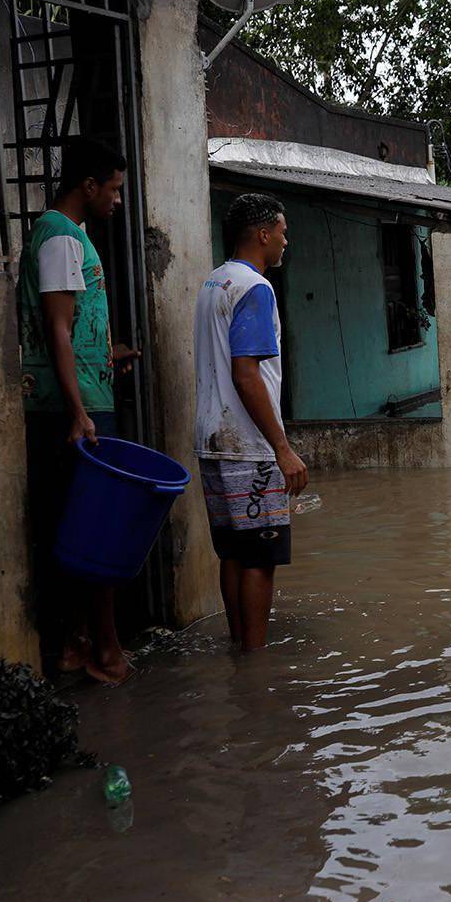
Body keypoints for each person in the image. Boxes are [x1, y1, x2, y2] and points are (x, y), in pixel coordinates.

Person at [17, 138, 141, 683]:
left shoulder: (69, 239)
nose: (117, 200)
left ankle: (78, 643)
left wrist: (107, 354)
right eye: (113, 189)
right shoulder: (62, 240)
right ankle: (103, 652)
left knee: (79, 525)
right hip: (75, 411)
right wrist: (78, 413)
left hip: (83, 398)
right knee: (96, 530)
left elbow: (70, 330)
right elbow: (57, 329)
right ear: (88, 186)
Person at [193, 193, 307, 651]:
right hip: (248, 445)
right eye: (281, 231)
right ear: (262, 235)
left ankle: (241, 653)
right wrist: (282, 448)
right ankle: (256, 666)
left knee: (234, 552)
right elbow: (247, 373)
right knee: (260, 555)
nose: (285, 240)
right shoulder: (255, 289)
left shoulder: (213, 284)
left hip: (212, 439)